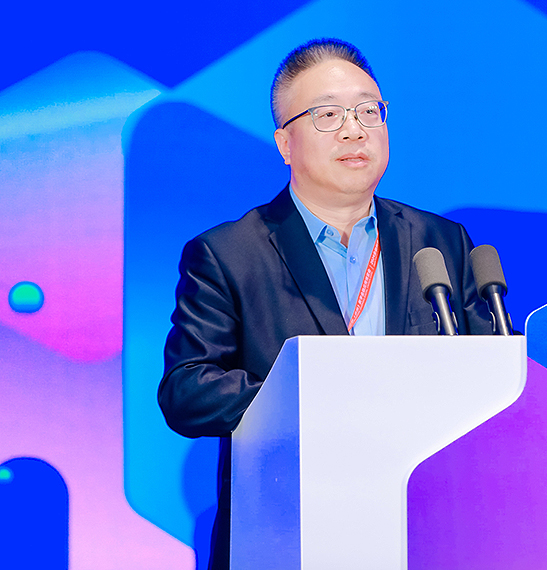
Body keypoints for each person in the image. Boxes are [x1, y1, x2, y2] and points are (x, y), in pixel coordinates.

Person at [158, 38, 493, 569]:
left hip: (424, 532)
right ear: (285, 143)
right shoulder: (229, 254)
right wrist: (321, 397)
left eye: (368, 111)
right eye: (328, 115)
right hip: (288, 533)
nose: (354, 130)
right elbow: (187, 390)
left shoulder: (441, 242)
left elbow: (489, 375)